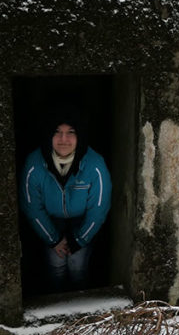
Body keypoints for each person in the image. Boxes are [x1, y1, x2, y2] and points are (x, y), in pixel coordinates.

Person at [19, 108, 111, 292]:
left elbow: (98, 209)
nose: (64, 139)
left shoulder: (94, 164)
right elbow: (32, 207)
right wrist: (53, 239)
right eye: (57, 132)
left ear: (80, 136)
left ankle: (81, 306)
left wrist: (80, 240)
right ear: (49, 135)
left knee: (77, 265)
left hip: (82, 221)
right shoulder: (35, 164)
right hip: (51, 220)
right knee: (56, 265)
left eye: (71, 132)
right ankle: (57, 303)